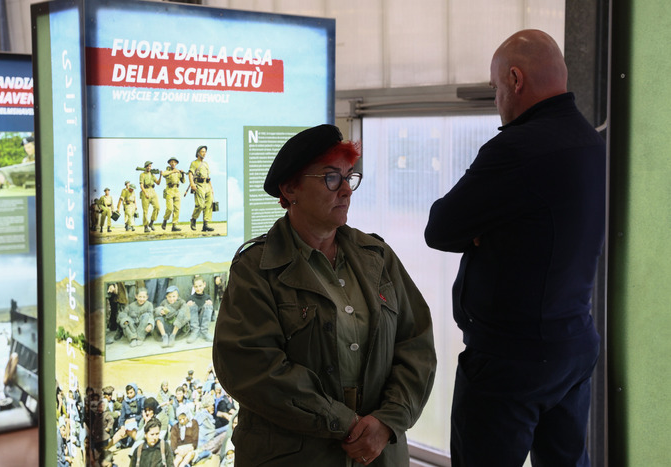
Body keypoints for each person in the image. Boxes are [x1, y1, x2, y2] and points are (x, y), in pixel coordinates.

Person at [424, 30, 606, 467]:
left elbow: (441, 228)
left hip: (511, 359)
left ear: (515, 79)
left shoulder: (517, 148)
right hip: (573, 345)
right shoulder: (593, 143)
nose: (496, 100)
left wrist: (485, 230)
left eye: (494, 88)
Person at [212, 124, 436, 466]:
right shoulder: (257, 268)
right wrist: (344, 423)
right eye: (332, 178)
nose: (346, 190)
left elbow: (416, 344)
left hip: (378, 452)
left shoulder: (377, 257)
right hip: (294, 456)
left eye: (349, 177)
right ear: (290, 188)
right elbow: (251, 366)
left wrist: (388, 421)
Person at [187, 145, 215, 232]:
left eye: (205, 152)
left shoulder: (206, 164)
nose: (204, 153)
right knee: (200, 205)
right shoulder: (194, 163)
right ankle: (193, 219)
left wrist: (211, 188)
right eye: (202, 152)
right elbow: (190, 174)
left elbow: (208, 176)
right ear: (198, 153)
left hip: (207, 185)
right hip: (199, 185)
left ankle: (205, 225)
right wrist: (192, 184)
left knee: (208, 205)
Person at [186, 276, 214, 343]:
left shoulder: (208, 297)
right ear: (193, 287)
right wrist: (187, 306)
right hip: (194, 321)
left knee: (209, 304)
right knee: (191, 304)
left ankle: (204, 332)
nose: (198, 288)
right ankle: (195, 331)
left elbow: (212, 314)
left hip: (203, 321)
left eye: (200, 286)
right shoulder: (191, 298)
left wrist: (210, 304)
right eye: (196, 286)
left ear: (204, 284)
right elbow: (186, 314)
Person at [161, 157, 184, 232]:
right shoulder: (167, 171)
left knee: (177, 208)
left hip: (176, 190)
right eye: (171, 162)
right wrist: (172, 171)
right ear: (169, 163)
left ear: (176, 163)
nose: (173, 163)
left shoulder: (178, 172)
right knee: (170, 208)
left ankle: (174, 225)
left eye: (174, 162)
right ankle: (165, 220)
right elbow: (163, 174)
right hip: (169, 190)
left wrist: (182, 174)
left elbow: (183, 181)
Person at [140, 161, 162, 232]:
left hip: (152, 191)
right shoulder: (142, 175)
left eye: (150, 166)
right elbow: (141, 185)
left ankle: (151, 222)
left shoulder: (152, 174)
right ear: (145, 167)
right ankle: (145, 226)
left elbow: (158, 183)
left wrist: (160, 176)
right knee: (145, 211)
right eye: (148, 166)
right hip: (145, 190)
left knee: (157, 207)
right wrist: (145, 193)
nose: (149, 167)